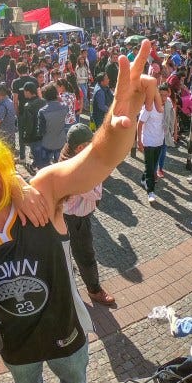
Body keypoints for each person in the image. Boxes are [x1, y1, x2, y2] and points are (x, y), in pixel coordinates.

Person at [0, 40, 158, 383]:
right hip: (14, 343)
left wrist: (122, 114)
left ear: (0, 164)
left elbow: (99, 159)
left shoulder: (44, 191)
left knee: (74, 378)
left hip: (65, 329)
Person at [60, 124, 116, 306]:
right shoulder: (78, 169)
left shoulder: (71, 154)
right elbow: (95, 193)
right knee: (85, 255)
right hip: (74, 219)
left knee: (69, 253)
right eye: (89, 143)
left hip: (71, 216)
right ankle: (94, 290)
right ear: (79, 148)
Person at [137, 92, 165, 203]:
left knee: (152, 165)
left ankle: (143, 179)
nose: (164, 98)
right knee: (150, 168)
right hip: (148, 142)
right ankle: (151, 192)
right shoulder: (149, 107)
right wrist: (139, 141)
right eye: (161, 95)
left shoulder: (167, 106)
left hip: (159, 141)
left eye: (166, 95)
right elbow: (140, 123)